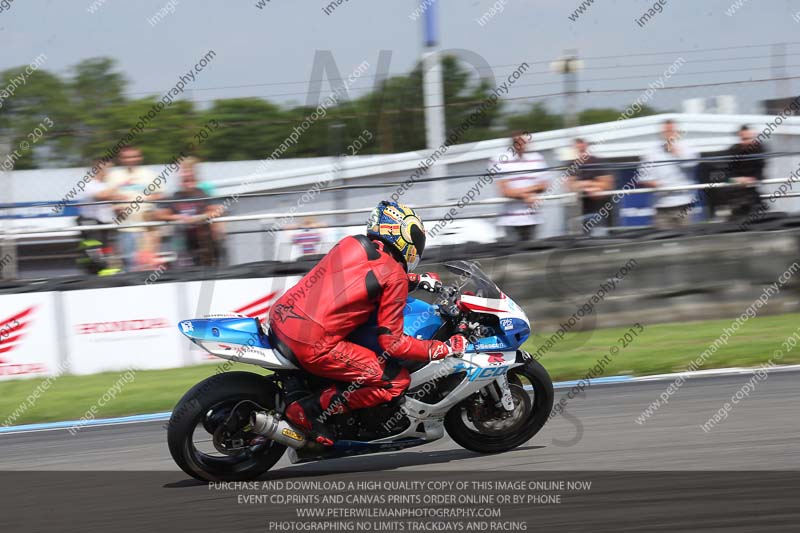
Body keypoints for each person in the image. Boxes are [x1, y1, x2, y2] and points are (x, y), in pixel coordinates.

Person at [268, 201, 466, 446]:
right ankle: (308, 410)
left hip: (281, 318)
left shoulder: (352, 243)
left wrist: (413, 280)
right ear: (402, 235)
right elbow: (392, 344)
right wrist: (440, 348)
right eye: (415, 237)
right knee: (395, 381)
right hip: (311, 344)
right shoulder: (393, 275)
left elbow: (363, 277)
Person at [161, 157, 224, 267]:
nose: (187, 179)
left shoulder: (202, 193)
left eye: (190, 175)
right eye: (184, 176)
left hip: (202, 241)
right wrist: (178, 217)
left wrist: (198, 218)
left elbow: (217, 210)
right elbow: (159, 214)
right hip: (183, 241)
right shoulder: (175, 196)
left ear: (195, 177)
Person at [638, 120, 698, 229]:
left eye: (671, 131)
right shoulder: (651, 152)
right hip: (661, 206)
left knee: (687, 240)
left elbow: (691, 164)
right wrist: (656, 184)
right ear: (660, 133)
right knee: (662, 241)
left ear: (677, 132)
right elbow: (643, 177)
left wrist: (674, 150)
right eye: (665, 131)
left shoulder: (688, 148)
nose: (668, 134)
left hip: (683, 203)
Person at [107, 146, 159, 270]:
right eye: (126, 157)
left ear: (140, 158)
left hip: (147, 229)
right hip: (124, 228)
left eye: (134, 156)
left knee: (148, 266)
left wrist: (147, 199)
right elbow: (108, 195)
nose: (130, 160)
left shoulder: (150, 174)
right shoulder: (113, 175)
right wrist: (115, 200)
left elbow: (160, 195)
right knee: (128, 267)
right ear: (121, 159)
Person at [494, 132, 549, 241]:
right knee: (513, 256)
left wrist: (525, 193)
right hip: (511, 220)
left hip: (533, 219)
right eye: (518, 142)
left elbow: (544, 185)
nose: (521, 145)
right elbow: (505, 191)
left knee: (533, 254)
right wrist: (527, 195)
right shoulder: (500, 160)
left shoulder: (537, 158)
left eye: (524, 142)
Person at [566, 138, 614, 234]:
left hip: (601, 207)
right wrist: (589, 185)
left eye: (582, 147)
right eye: (578, 148)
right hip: (582, 208)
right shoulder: (571, 165)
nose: (581, 150)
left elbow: (608, 184)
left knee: (605, 236)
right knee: (583, 237)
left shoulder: (598, 162)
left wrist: (587, 185)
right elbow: (570, 186)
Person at [727, 125, 767, 220]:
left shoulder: (760, 150)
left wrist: (750, 179)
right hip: (736, 193)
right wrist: (735, 180)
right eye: (742, 139)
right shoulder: (733, 150)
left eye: (748, 138)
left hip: (752, 193)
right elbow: (726, 176)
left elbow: (760, 172)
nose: (744, 142)